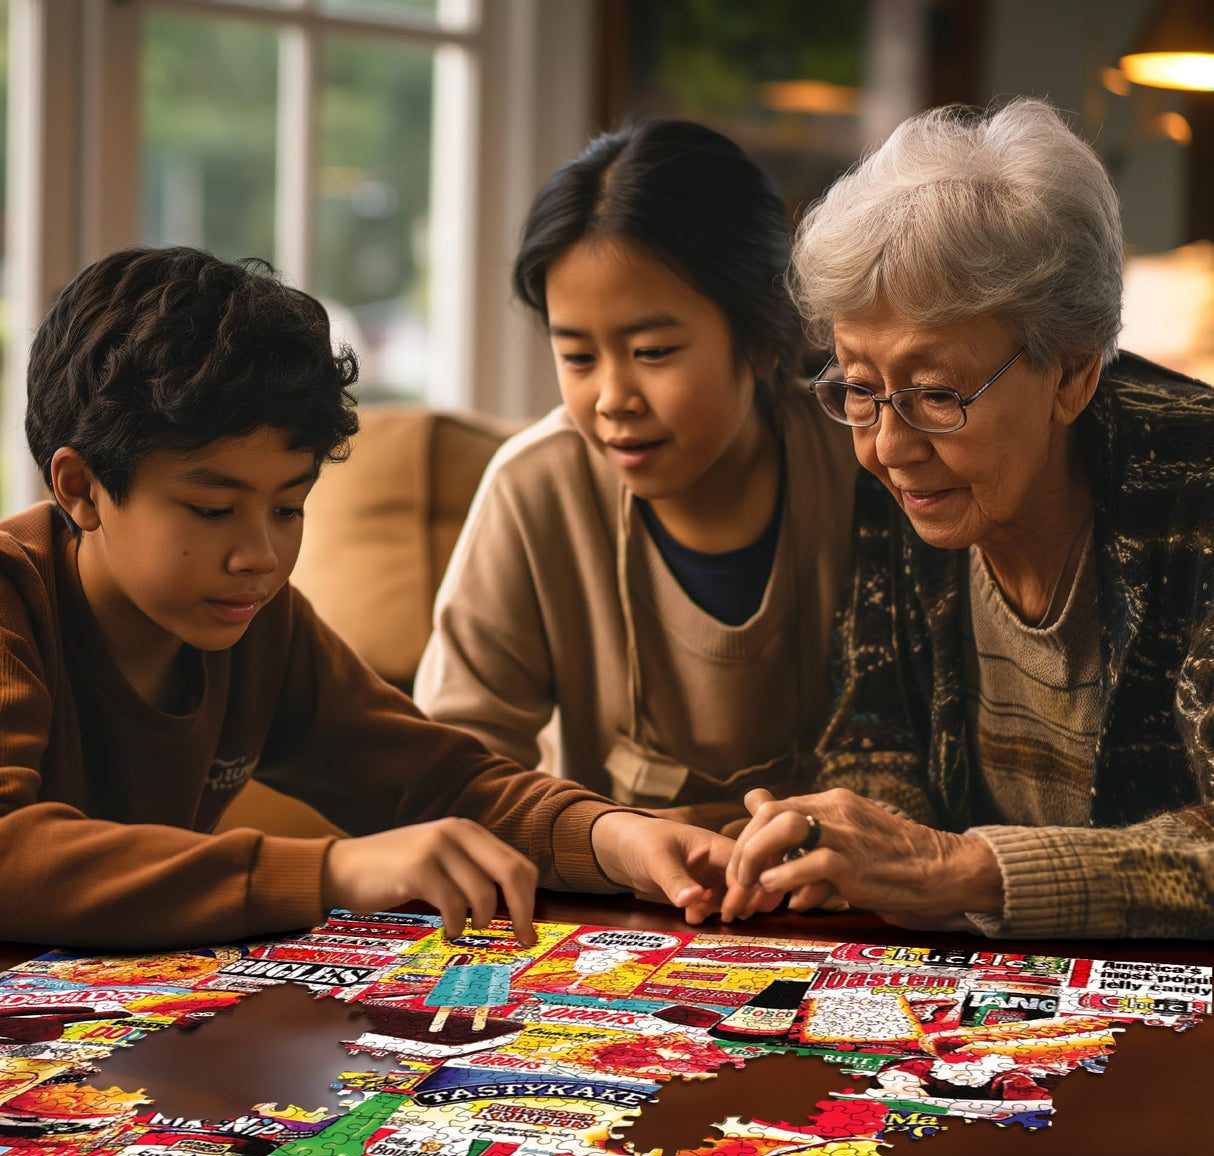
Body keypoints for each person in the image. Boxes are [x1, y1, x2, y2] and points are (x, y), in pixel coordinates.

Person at [0, 245, 732, 951]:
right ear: (80, 488)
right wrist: (332, 870)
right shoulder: (12, 598)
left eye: (288, 508)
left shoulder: (256, 626)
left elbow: (442, 784)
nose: (260, 557)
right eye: (213, 511)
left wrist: (619, 838)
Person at [724, 98, 1214, 938]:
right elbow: (871, 734)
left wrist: (960, 870)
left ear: (1072, 374)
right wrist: (841, 844)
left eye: (936, 393)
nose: (887, 445)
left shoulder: (1194, 489)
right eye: (858, 386)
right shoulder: (922, 477)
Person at [414, 120, 857, 831]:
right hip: (617, 910)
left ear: (763, 337)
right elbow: (456, 772)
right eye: (578, 358)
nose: (612, 398)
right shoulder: (535, 491)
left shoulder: (862, 461)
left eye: (652, 351)